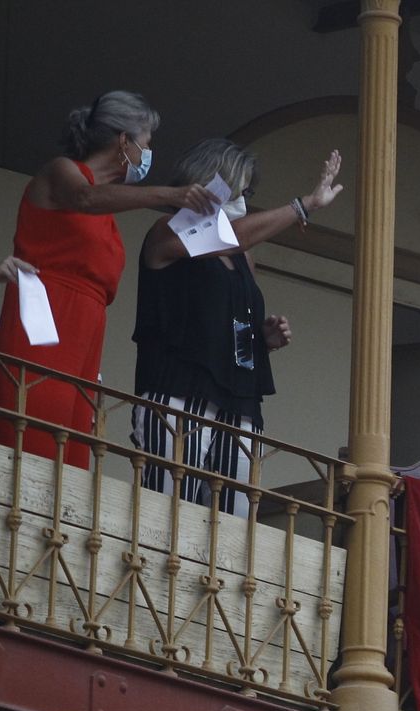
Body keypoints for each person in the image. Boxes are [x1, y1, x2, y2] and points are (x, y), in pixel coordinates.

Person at [0, 91, 218, 467]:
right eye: (146, 144)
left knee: (74, 440)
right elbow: (83, 198)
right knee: (33, 425)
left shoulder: (109, 209)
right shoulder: (62, 171)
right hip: (47, 309)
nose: (148, 154)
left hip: (87, 323)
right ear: (123, 141)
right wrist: (169, 194)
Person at [131, 139, 342, 516]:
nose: (244, 201)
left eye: (248, 192)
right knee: (166, 516)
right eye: (238, 190)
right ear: (208, 184)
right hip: (180, 389)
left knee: (232, 524)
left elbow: (223, 314)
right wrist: (303, 205)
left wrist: (262, 338)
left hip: (239, 399)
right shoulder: (168, 231)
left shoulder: (245, 257)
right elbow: (228, 237)